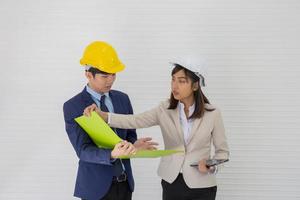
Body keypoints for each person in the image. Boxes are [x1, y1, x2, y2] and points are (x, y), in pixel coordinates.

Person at [84, 55, 230, 200]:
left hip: (202, 185)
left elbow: (222, 153)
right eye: (173, 80)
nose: (174, 86)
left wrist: (212, 166)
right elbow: (135, 121)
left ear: (195, 85)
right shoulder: (164, 109)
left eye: (182, 81)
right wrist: (105, 117)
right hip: (171, 181)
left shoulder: (213, 114)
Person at [63, 41, 158, 200]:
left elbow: (129, 135)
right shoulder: (73, 106)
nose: (110, 80)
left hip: (125, 184)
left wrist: (133, 146)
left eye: (113, 74)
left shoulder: (122, 99)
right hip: (95, 189)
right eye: (104, 76)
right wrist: (112, 154)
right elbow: (83, 151)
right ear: (88, 74)